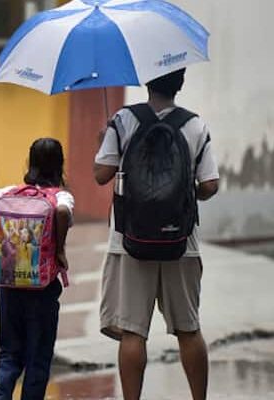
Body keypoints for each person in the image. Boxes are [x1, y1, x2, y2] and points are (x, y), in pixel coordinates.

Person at [93, 69, 219, 400]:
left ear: (147, 82)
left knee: (133, 333)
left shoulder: (122, 120)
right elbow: (210, 185)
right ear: (180, 84)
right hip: (182, 243)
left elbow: (101, 175)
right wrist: (183, 193)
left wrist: (103, 141)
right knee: (189, 330)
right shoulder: (195, 125)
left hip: (129, 241)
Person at [0, 138, 74, 400]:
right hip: (42, 286)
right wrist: (60, 249)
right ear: (60, 166)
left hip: (8, 283)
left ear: (30, 163)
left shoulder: (11, 192)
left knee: (9, 351)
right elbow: (63, 213)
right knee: (39, 354)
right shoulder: (61, 196)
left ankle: (0, 396)